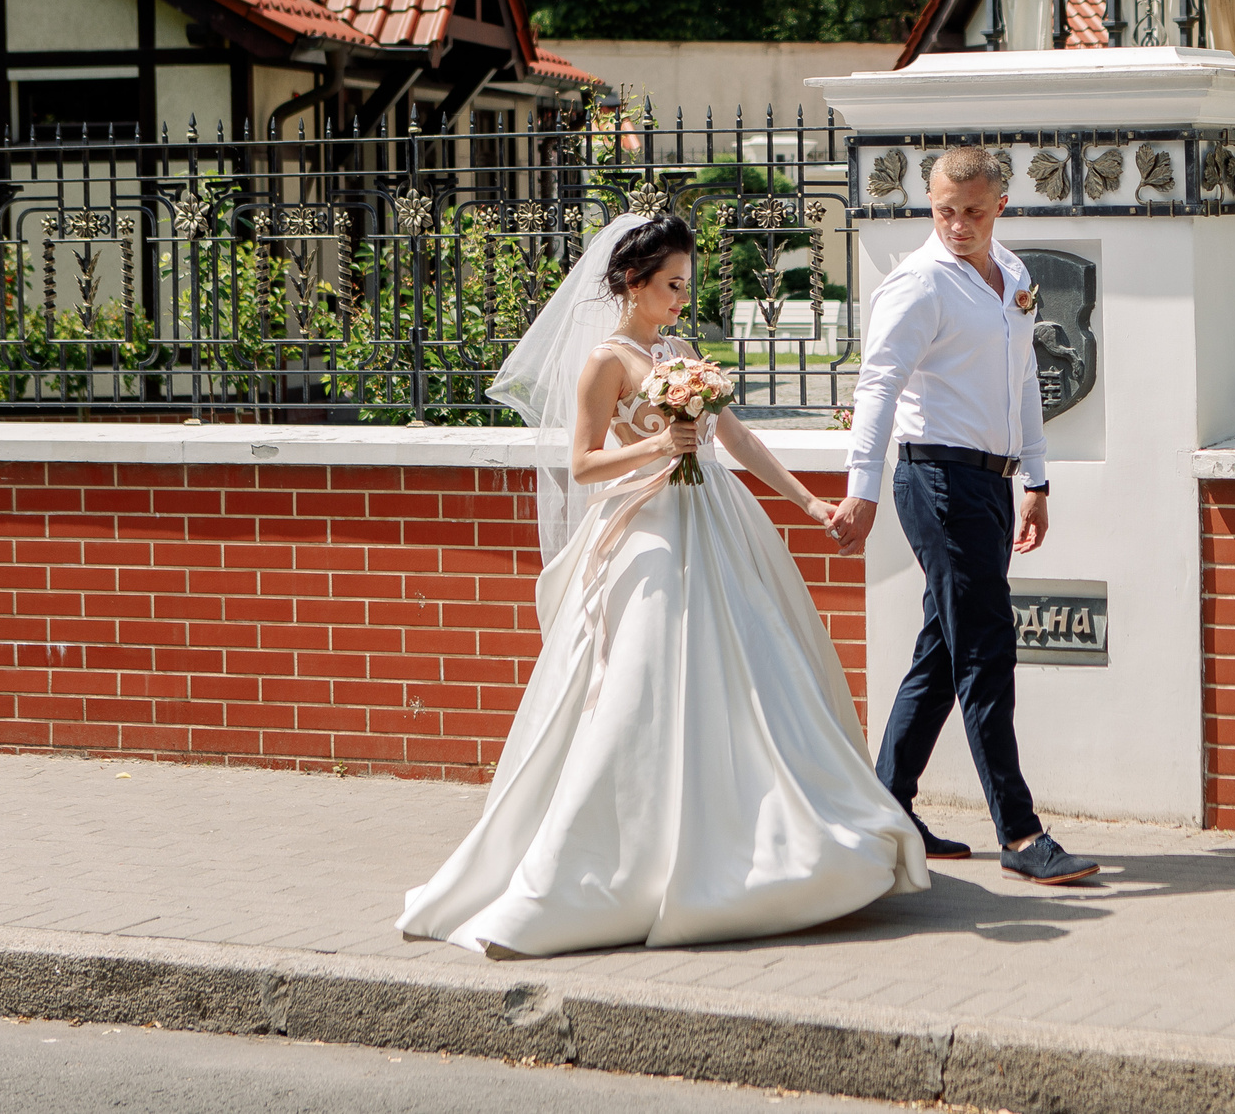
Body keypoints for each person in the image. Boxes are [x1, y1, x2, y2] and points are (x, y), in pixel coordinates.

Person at [398, 213, 927, 956]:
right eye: (672, 284)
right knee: (644, 682)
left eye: (687, 283)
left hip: (715, 517)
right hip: (648, 531)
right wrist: (656, 443)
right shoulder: (604, 362)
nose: (683, 296)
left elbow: (734, 436)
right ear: (634, 282)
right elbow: (581, 464)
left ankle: (763, 834)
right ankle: (617, 863)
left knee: (755, 670)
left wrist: (809, 503)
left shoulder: (680, 351)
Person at [827, 146, 1099, 886]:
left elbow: (1023, 387)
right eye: (944, 210)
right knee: (986, 645)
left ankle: (886, 803)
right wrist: (862, 487)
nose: (956, 224)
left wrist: (1037, 479)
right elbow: (878, 385)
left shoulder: (1010, 275)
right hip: (934, 478)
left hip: (990, 484)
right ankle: (1019, 830)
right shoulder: (918, 283)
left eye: (972, 211)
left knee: (945, 649)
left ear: (999, 205)